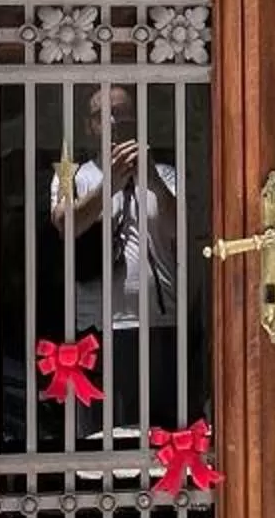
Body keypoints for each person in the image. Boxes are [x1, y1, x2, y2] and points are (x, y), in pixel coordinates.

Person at [50, 83, 179, 432]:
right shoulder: (69, 173)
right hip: (96, 326)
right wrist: (110, 184)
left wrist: (148, 176)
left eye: (122, 115)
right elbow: (65, 224)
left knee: (159, 437)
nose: (114, 123)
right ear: (89, 125)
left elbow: (181, 228)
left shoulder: (165, 174)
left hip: (158, 324)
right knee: (100, 437)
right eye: (103, 116)